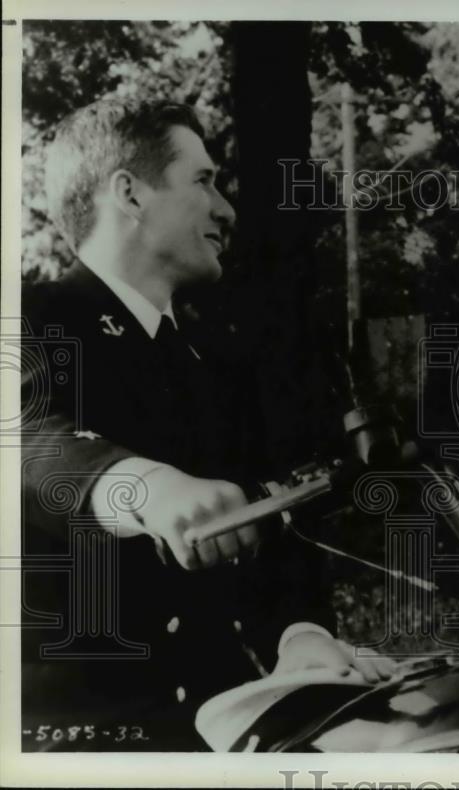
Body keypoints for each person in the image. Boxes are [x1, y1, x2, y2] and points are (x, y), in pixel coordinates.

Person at [20, 99, 395, 751]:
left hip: (216, 729)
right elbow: (24, 440)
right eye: (203, 181)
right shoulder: (27, 318)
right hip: (68, 740)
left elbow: (269, 530)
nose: (227, 210)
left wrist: (300, 637)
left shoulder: (212, 359)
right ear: (130, 194)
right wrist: (144, 485)